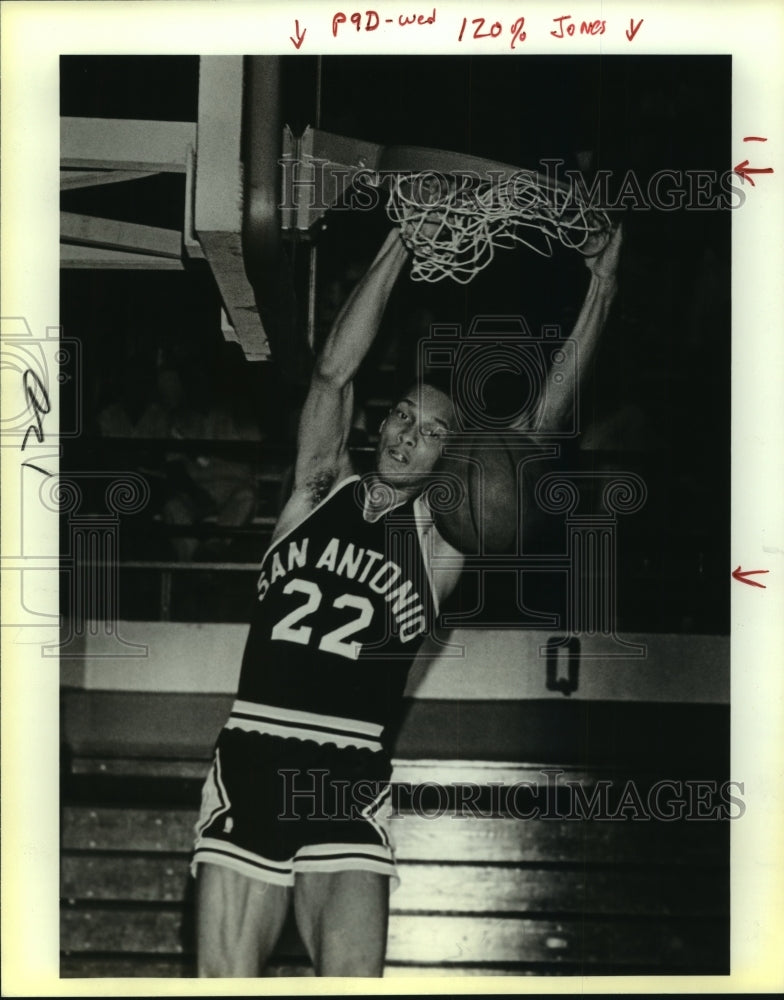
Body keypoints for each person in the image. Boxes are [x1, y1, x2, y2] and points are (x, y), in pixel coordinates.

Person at [191, 222, 622, 977]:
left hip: (350, 771)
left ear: (449, 458)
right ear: (381, 421)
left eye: (430, 433)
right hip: (253, 758)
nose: (405, 436)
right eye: (400, 416)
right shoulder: (316, 491)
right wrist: (399, 239)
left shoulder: (439, 543)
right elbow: (331, 376)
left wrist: (603, 286)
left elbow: (536, 430)